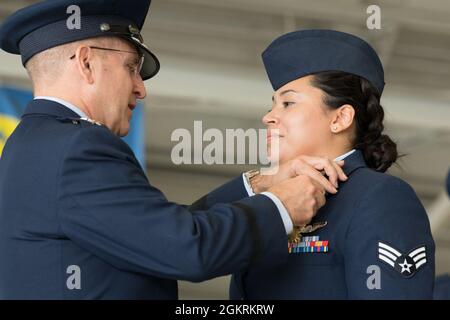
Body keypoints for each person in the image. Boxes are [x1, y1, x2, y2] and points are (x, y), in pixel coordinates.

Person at [0, 1, 347, 299]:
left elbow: (154, 230)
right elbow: (185, 247)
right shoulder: (77, 147)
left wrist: (260, 185)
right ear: (86, 63)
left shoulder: (32, 147)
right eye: (131, 68)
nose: (140, 89)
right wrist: (282, 206)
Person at [198, 29, 436, 299]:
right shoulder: (268, 197)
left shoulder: (379, 199)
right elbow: (185, 238)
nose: (268, 117)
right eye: (272, 105)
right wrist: (260, 182)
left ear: (341, 118)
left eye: (288, 103)